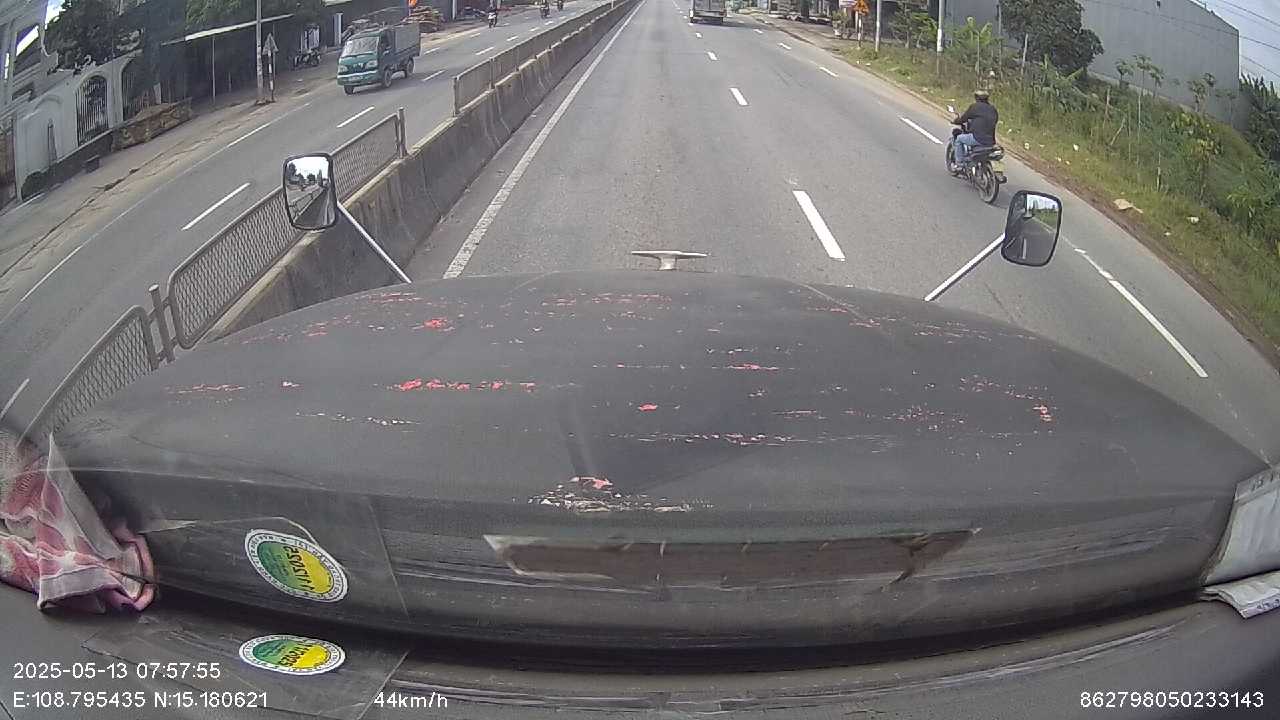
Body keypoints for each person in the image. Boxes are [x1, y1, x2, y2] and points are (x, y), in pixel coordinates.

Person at [950, 89, 998, 172]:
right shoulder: (993, 109)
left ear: (976, 98)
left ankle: (959, 164)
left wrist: (956, 121)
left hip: (978, 138)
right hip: (991, 141)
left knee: (959, 139)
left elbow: (963, 119)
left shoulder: (975, 107)